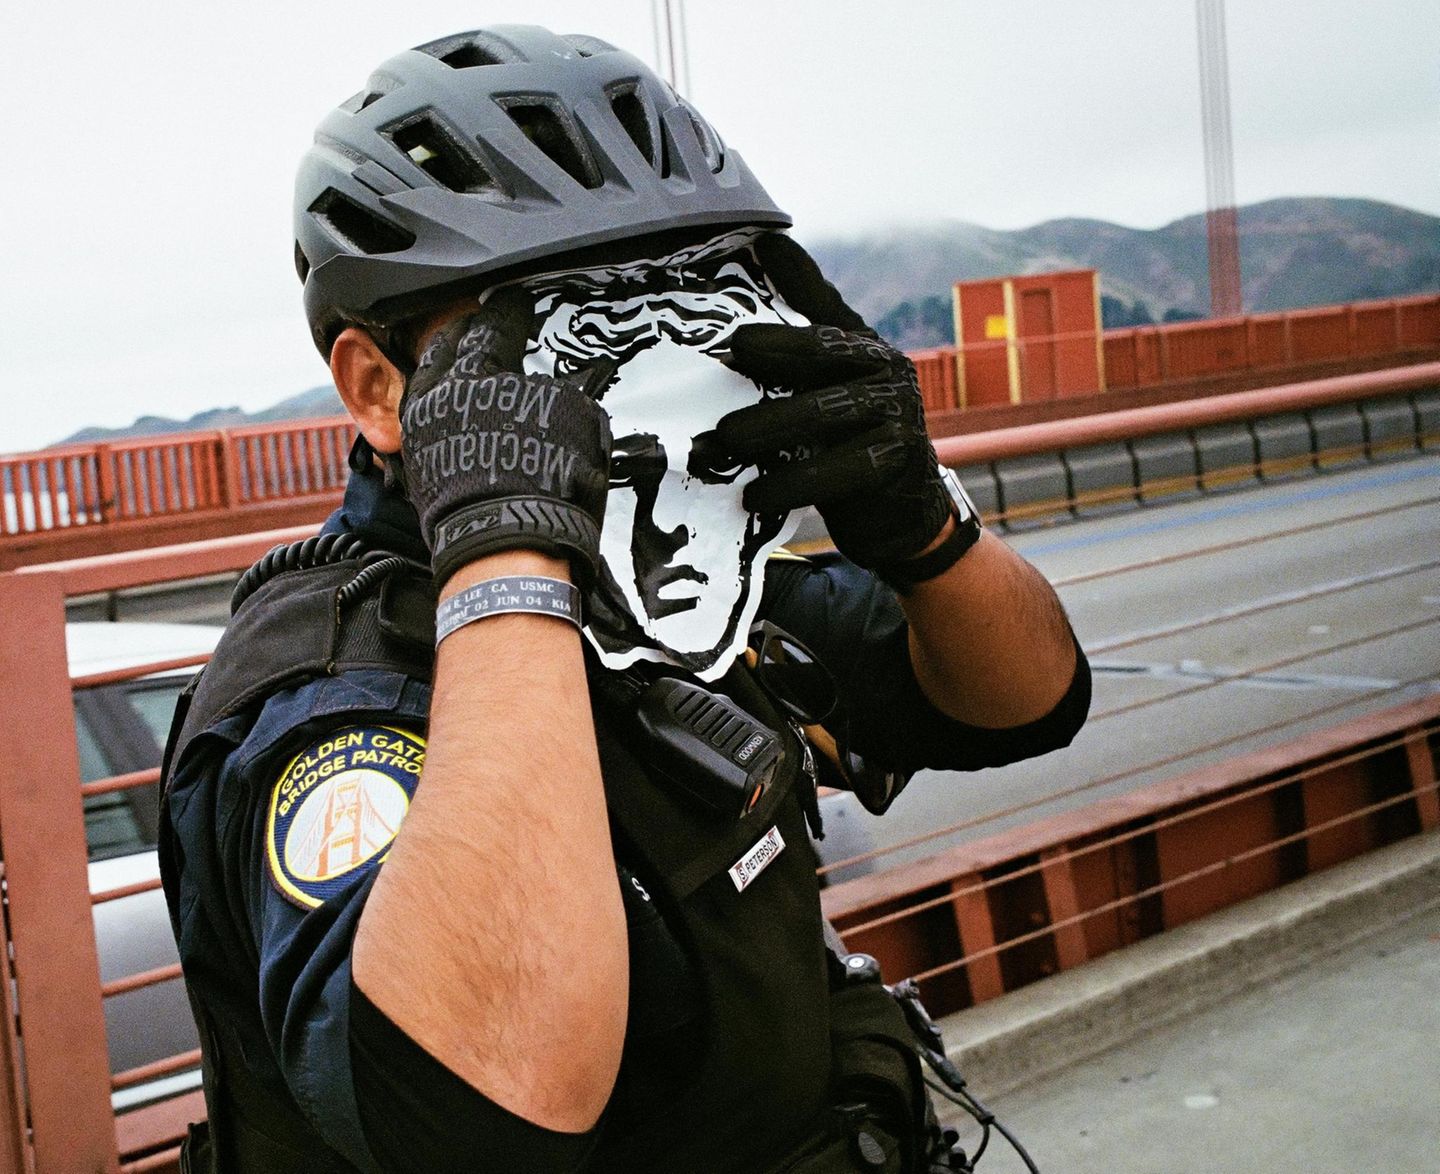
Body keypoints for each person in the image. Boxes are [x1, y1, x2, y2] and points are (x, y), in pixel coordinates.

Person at [159, 24, 1091, 1174]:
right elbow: (470, 1119)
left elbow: (1026, 701)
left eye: (680, 296)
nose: (636, 376)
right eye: (546, 319)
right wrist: (505, 544)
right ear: (376, 386)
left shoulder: (673, 568)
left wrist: (922, 524)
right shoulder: (326, 697)